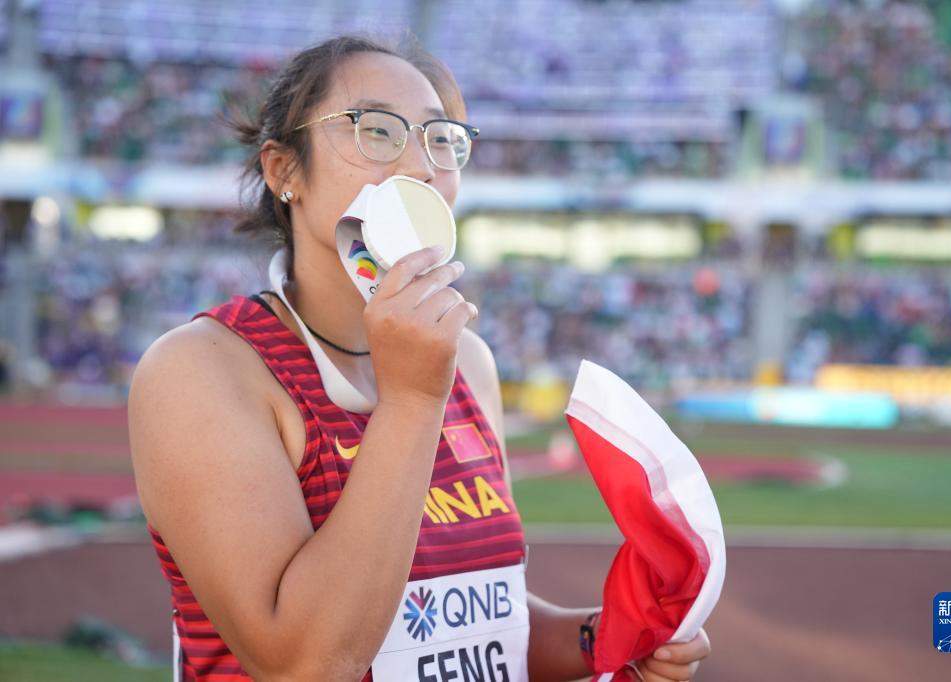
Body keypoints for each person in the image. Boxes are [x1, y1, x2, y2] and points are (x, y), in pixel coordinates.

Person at [128, 33, 711, 681]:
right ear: (282, 170)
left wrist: (602, 638)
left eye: (441, 139)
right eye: (376, 131)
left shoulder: (466, 359)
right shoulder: (204, 371)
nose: (418, 165)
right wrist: (410, 400)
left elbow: (482, 622)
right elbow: (302, 663)